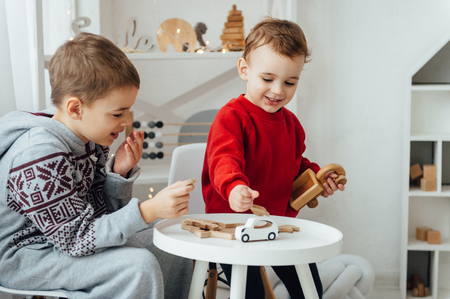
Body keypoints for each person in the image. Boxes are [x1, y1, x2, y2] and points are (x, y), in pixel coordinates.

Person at [0, 32, 193, 299]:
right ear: (75, 108)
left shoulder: (89, 138)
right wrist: (147, 210)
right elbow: (77, 240)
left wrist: (118, 174)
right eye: (117, 113)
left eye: (128, 110)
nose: (127, 121)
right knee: (137, 267)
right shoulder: (39, 154)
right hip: (26, 255)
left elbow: (100, 217)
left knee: (172, 243)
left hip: (66, 242)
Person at [202, 18, 345, 298]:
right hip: (234, 224)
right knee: (250, 291)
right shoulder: (231, 117)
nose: (278, 90)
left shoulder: (291, 124)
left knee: (309, 287)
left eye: (290, 82)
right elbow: (223, 160)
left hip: (279, 223)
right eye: (267, 79)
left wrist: (318, 177)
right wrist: (233, 187)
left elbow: (296, 164)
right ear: (245, 69)